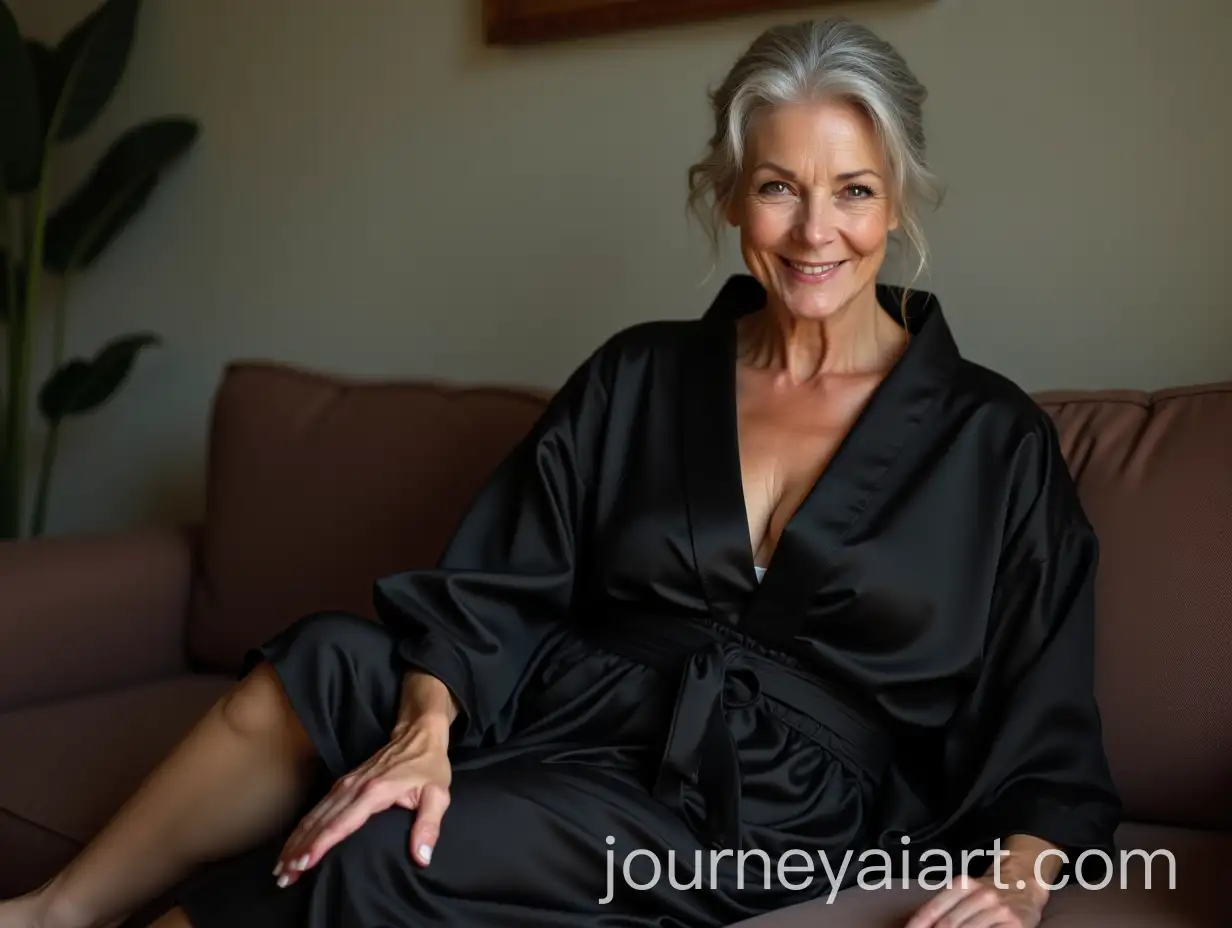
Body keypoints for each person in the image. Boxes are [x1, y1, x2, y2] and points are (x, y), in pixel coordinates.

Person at [0, 17, 1120, 928]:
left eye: (853, 190)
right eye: (778, 186)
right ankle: (51, 912)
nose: (812, 230)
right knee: (323, 665)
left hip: (761, 809)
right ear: (729, 195)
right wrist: (429, 722)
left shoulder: (993, 442)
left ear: (901, 197)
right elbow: (494, 582)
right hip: (564, 698)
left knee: (395, 839)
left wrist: (1016, 881)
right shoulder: (640, 374)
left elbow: (1047, 728)